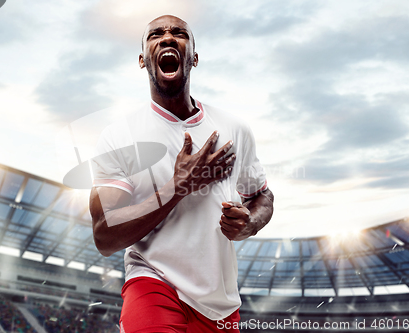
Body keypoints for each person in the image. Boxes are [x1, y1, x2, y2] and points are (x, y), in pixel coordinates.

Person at [89, 15, 274, 332]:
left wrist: (250, 222)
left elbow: (261, 196)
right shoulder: (118, 138)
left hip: (220, 304)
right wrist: (178, 187)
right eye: (155, 35)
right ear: (142, 59)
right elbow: (105, 235)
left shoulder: (234, 129)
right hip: (153, 284)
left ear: (195, 58)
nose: (167, 38)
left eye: (179, 33)